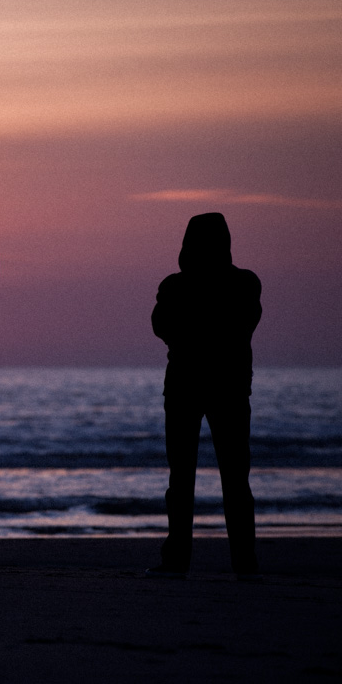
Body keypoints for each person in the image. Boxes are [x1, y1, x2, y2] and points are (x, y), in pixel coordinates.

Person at [148, 212, 262, 580]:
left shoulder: (174, 287)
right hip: (229, 385)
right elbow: (245, 325)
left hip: (185, 384)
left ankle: (177, 558)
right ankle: (244, 561)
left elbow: (161, 327)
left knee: (181, 478)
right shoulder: (244, 284)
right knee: (234, 477)